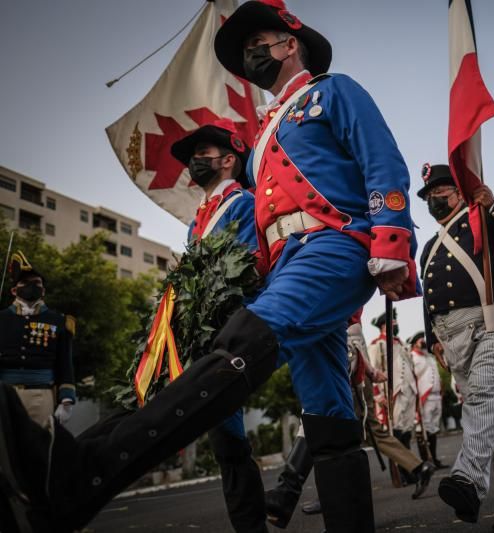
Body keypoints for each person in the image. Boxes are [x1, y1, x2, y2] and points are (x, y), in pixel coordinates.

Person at [0, 2, 418, 532]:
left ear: (291, 43)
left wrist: (391, 239)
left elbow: (381, 157)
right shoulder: (268, 131)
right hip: (289, 264)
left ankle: (85, 474)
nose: (250, 54)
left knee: (239, 348)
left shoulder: (332, 92)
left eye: (259, 42)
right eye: (245, 50)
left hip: (333, 247)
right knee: (328, 419)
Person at [418, 163, 494, 531]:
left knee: (483, 399)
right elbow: (430, 297)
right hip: (451, 336)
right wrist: (431, 338)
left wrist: (492, 204)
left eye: (442, 191)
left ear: (460, 192)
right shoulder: (429, 247)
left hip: (493, 320)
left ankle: (468, 481)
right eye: (429, 195)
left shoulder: (484, 219)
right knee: (489, 421)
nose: (435, 199)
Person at [170, 118, 266, 533]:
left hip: (233, 326)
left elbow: (245, 266)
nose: (195, 162)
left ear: (228, 160)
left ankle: (252, 524)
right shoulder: (197, 221)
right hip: (205, 332)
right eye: (194, 157)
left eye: (203, 155)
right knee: (221, 435)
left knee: (227, 435)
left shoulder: (242, 203)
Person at [264, 314, 434, 529]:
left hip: (340, 344)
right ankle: (315, 498)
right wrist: (371, 372)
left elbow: (352, 328)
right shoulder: (375, 342)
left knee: (327, 422)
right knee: (339, 426)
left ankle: (295, 493)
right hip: (342, 348)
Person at [0, 252, 75, 428]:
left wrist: (66, 400)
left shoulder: (59, 321)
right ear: (14, 290)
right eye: (25, 283)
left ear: (43, 290)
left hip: (41, 395)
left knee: (38, 449)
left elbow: (65, 362)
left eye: (37, 283)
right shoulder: (2, 319)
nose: (31, 286)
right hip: (4, 393)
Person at [368, 312, 417, 456]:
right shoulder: (378, 344)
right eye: (393, 321)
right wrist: (377, 395)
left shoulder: (400, 343)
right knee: (396, 429)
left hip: (409, 390)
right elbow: (372, 370)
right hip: (393, 392)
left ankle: (410, 467)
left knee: (407, 429)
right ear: (384, 325)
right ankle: (402, 470)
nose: (396, 323)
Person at [409, 331, 446, 468]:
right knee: (423, 429)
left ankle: (434, 458)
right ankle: (426, 460)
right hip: (424, 398)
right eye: (420, 340)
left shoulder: (429, 357)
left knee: (433, 429)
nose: (423, 341)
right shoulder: (412, 357)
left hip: (436, 396)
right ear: (414, 344)